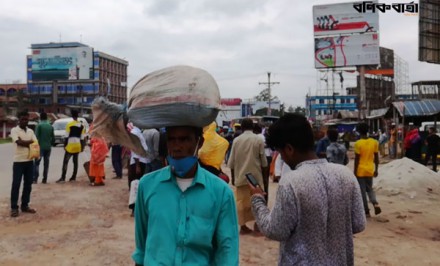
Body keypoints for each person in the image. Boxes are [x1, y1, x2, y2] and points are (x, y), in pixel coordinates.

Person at [248, 113, 366, 265]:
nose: (282, 158)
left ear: (289, 149)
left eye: (281, 152)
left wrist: (257, 200)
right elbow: (358, 224)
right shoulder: (346, 175)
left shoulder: (291, 182)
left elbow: (276, 230)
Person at [132, 126, 239, 265]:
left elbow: (227, 252)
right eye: (172, 140)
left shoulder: (221, 192)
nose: (177, 147)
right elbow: (141, 246)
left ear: (199, 143)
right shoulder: (147, 185)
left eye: (184, 139)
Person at [227, 118, 268, 235]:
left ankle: (243, 227)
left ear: (242, 127)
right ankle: (258, 225)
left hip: (240, 175)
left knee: (240, 202)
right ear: (253, 127)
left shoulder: (236, 140)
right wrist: (265, 179)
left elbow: (231, 162)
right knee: (258, 200)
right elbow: (264, 162)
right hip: (255, 178)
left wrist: (233, 178)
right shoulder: (258, 139)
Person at [10, 111, 38, 217]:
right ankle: (14, 207)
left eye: (26, 119)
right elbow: (19, 143)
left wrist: (26, 142)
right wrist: (29, 143)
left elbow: (35, 143)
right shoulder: (14, 130)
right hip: (18, 162)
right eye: (23, 119)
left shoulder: (31, 131)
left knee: (28, 184)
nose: (25, 121)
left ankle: (25, 205)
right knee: (16, 184)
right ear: (19, 120)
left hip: (29, 161)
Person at [354, 122, 382, 217]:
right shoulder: (374, 142)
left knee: (362, 192)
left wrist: (355, 172)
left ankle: (366, 211)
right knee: (370, 189)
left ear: (358, 131)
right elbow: (376, 158)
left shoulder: (358, 143)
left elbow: (357, 160)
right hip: (370, 169)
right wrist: (376, 169)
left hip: (360, 170)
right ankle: (375, 203)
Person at [56, 110, 86, 183]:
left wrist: (65, 145)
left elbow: (66, 136)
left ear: (72, 116)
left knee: (65, 162)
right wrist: (82, 147)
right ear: (77, 116)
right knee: (75, 162)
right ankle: (73, 177)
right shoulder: (82, 125)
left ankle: (63, 178)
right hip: (77, 145)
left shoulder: (69, 124)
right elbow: (82, 138)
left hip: (70, 145)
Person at [34, 112, 55, 184]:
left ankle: (35, 178)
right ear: (46, 117)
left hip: (40, 147)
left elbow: (36, 137)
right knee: (46, 163)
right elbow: (53, 138)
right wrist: (50, 144)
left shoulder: (39, 125)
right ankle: (44, 179)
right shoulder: (50, 126)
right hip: (48, 147)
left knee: (36, 163)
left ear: (40, 117)